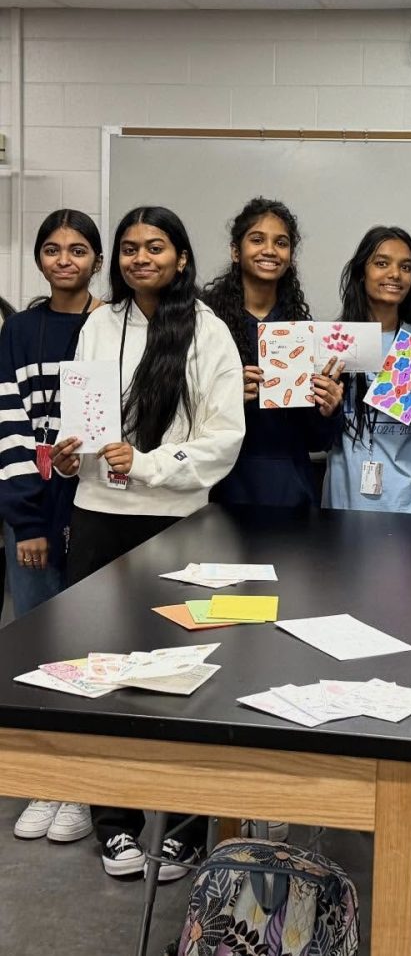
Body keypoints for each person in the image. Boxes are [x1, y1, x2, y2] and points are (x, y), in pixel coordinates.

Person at [52, 205, 244, 881]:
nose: (140, 258)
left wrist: (151, 464)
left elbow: (224, 439)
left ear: (182, 258)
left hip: (180, 521)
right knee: (103, 669)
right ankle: (115, 822)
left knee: (183, 674)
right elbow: (81, 422)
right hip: (100, 515)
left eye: (155, 247)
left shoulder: (209, 331)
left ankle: (186, 825)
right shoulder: (98, 325)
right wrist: (72, 454)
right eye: (130, 248)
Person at [0, 209, 105, 844]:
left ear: (96, 258)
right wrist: (28, 520)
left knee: (93, 647)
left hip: (97, 507)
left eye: (78, 249)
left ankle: (86, 789)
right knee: (41, 649)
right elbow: (10, 428)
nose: (65, 259)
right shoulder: (18, 331)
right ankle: (48, 780)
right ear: (40, 259)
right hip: (33, 510)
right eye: (52, 249)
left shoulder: (114, 324)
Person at [203, 197, 344, 507]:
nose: (269, 250)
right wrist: (225, 395)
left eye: (281, 243)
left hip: (291, 490)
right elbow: (180, 414)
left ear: (290, 256)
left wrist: (329, 409)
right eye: (257, 240)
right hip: (220, 488)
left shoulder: (304, 333)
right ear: (235, 251)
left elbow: (318, 440)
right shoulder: (205, 326)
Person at [322, 226, 411, 515]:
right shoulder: (334, 342)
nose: (395, 274)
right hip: (347, 495)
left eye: (406, 267)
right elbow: (318, 434)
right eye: (382, 263)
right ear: (361, 272)